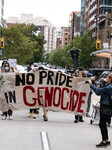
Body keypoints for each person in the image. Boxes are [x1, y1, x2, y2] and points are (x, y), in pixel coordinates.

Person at [88, 73, 112, 148]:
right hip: (108, 107)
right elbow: (100, 93)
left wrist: (91, 85)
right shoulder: (109, 86)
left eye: (107, 77)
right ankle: (107, 140)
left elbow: (98, 91)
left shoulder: (109, 87)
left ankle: (103, 141)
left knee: (102, 124)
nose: (106, 78)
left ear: (111, 79)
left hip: (105, 108)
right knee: (103, 124)